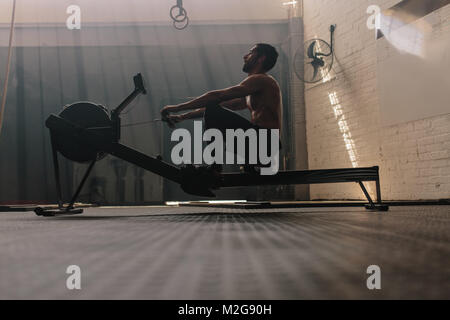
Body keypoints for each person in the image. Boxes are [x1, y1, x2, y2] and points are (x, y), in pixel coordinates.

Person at [161, 43, 282, 172]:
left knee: (213, 108)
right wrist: (182, 117)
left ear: (261, 58)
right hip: (265, 147)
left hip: (265, 144)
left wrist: (176, 108)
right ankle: (249, 163)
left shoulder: (261, 80)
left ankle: (215, 168)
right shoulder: (253, 91)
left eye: (251, 53)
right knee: (213, 110)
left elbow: (217, 97)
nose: (245, 56)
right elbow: (217, 107)